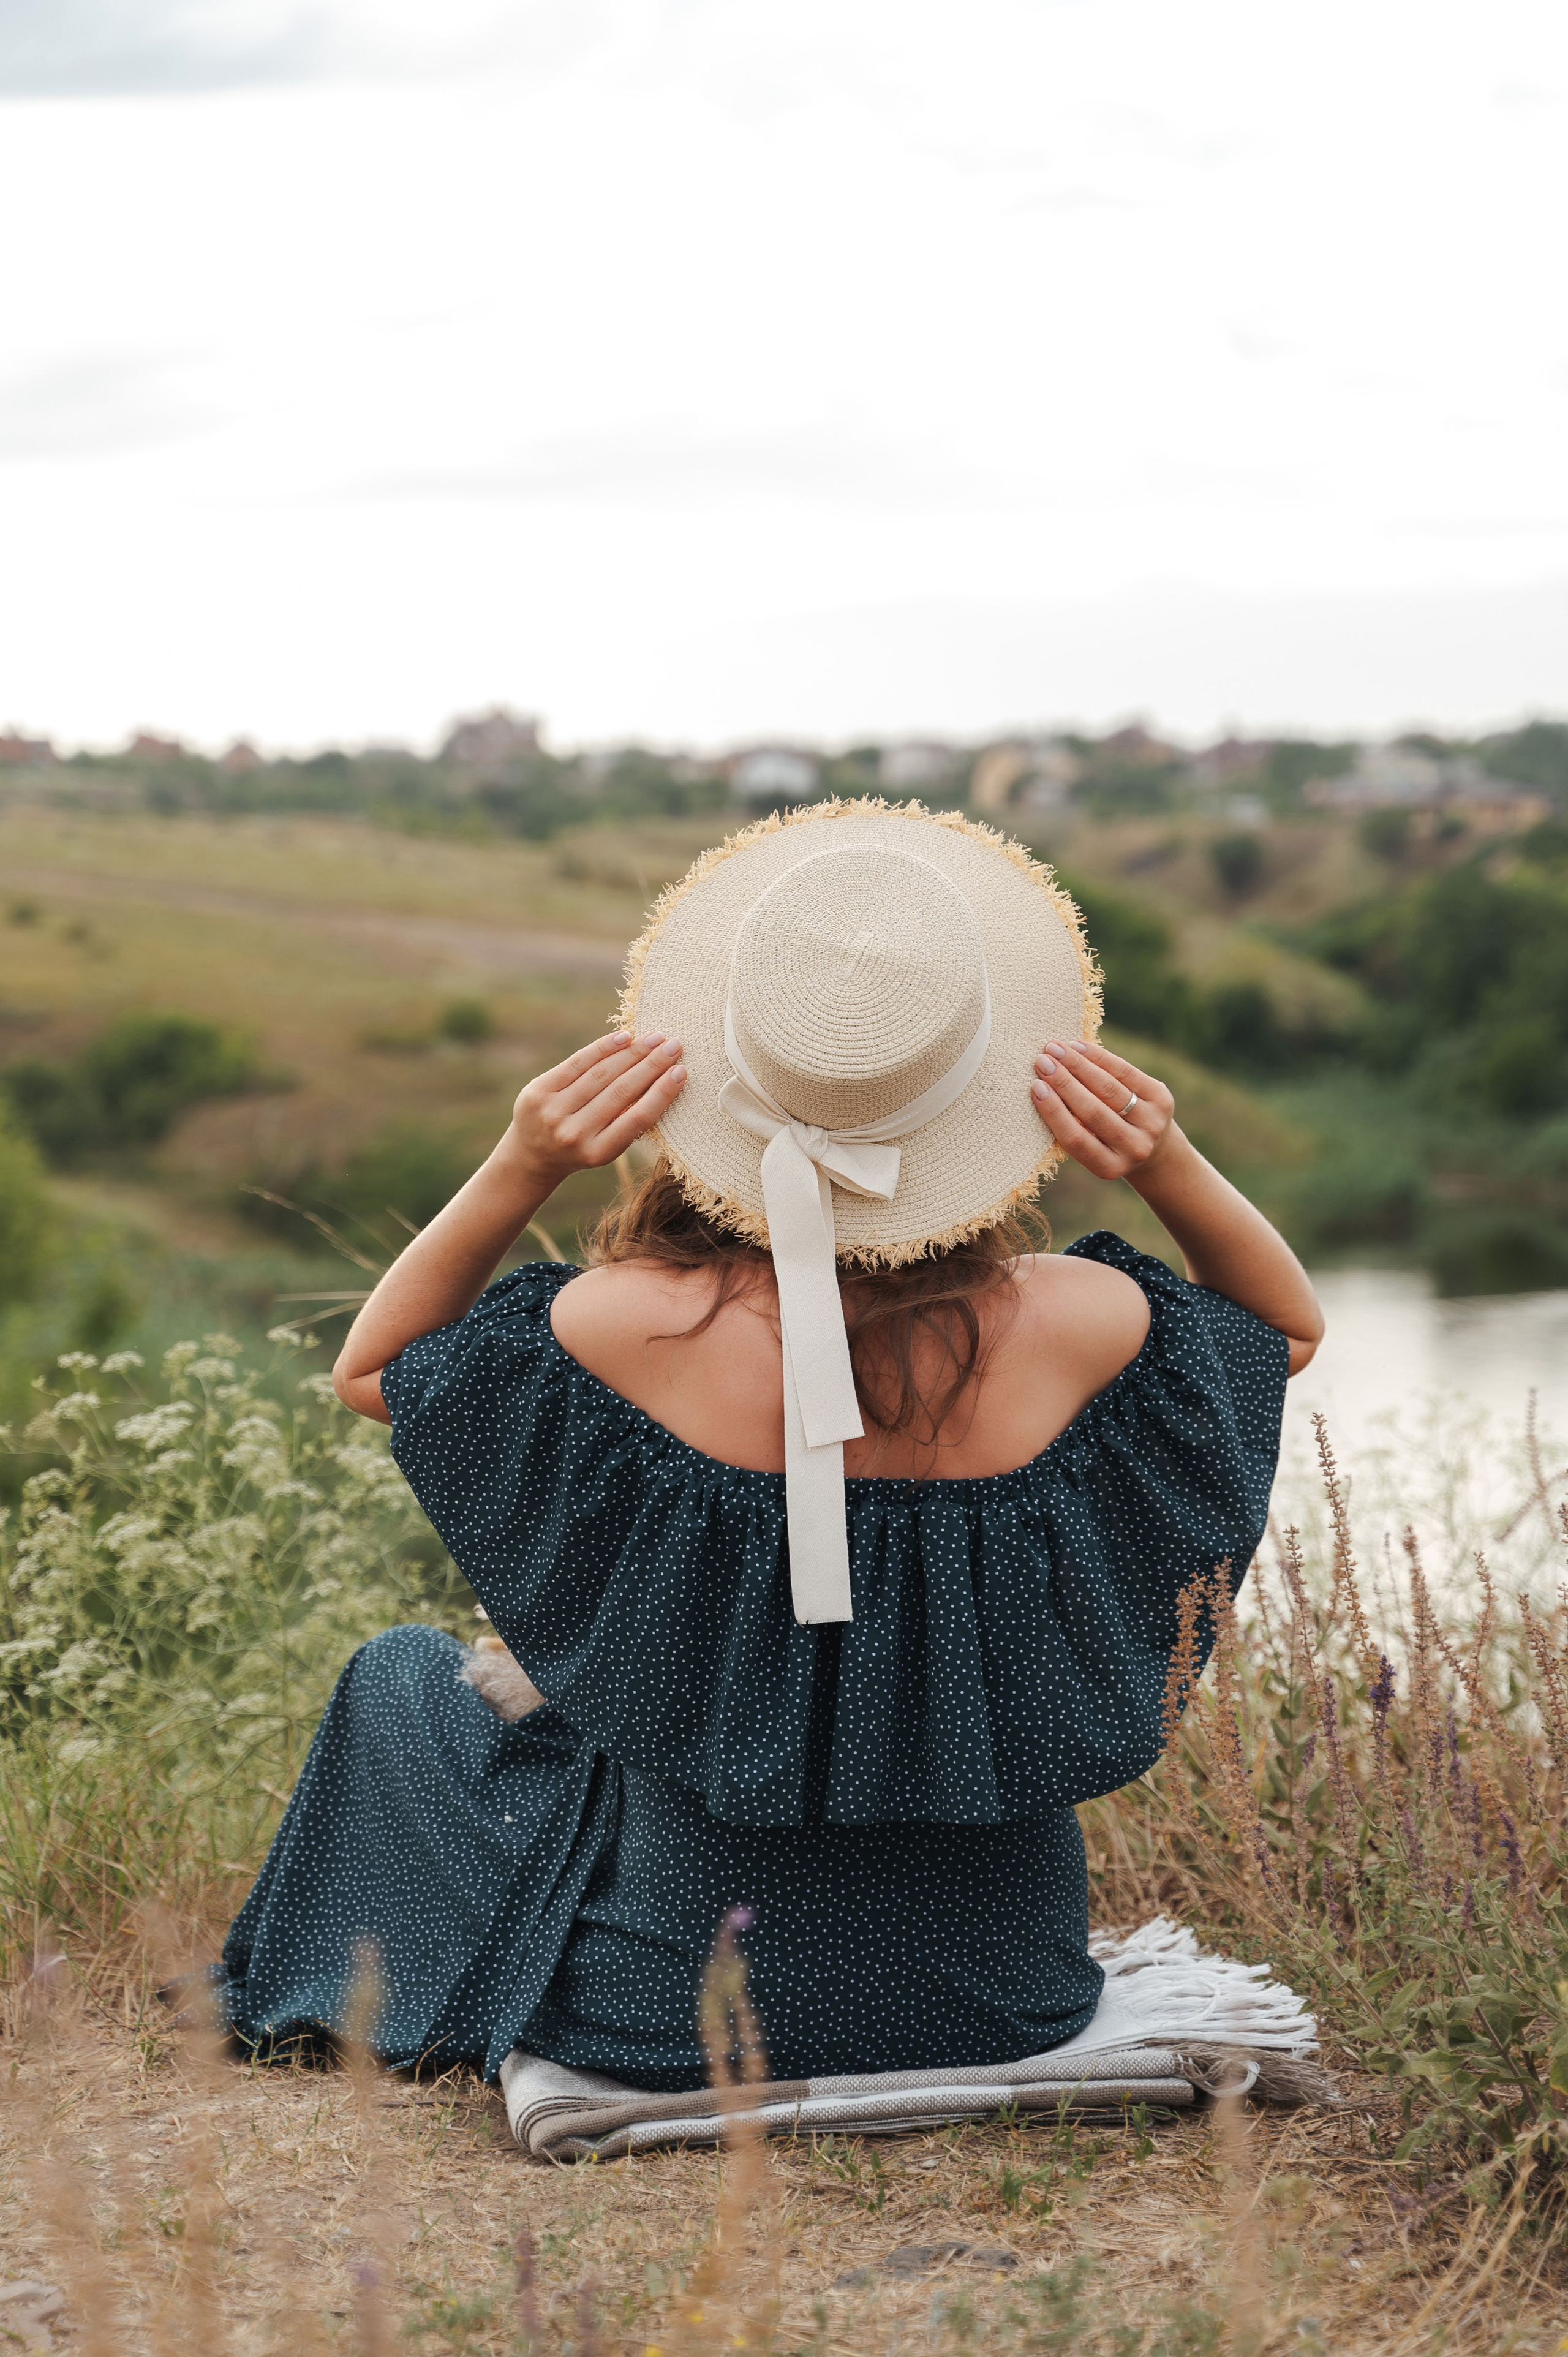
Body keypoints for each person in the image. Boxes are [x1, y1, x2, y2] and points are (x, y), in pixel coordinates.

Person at [219, 804, 1322, 2089]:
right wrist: (1166, 1158)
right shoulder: (1083, 1322)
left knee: (408, 1678)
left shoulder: (627, 1324)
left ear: (710, 1111)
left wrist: (521, 1162)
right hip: (1013, 1996)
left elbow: (371, 1366)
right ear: (984, 1121)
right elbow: (1278, 1327)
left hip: (676, 2011)